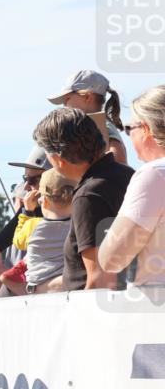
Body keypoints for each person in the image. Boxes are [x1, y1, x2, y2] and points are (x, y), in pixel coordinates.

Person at [32, 108, 134, 291]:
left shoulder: (89, 196)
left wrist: (84, 318)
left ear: (59, 159)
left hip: (99, 310)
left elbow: (100, 277)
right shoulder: (129, 175)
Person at [100, 85, 165, 286]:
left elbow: (111, 259)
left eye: (129, 128)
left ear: (145, 129)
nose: (128, 135)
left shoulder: (154, 174)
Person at [0, 169, 76, 295]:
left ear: (44, 202)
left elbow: (18, 241)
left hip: (38, 285)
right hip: (65, 282)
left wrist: (28, 212)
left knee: (10, 277)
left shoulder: (34, 224)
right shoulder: (77, 226)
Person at [48, 69, 128, 165]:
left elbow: (119, 158)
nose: (64, 104)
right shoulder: (92, 125)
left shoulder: (103, 125)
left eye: (67, 99)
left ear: (87, 97)